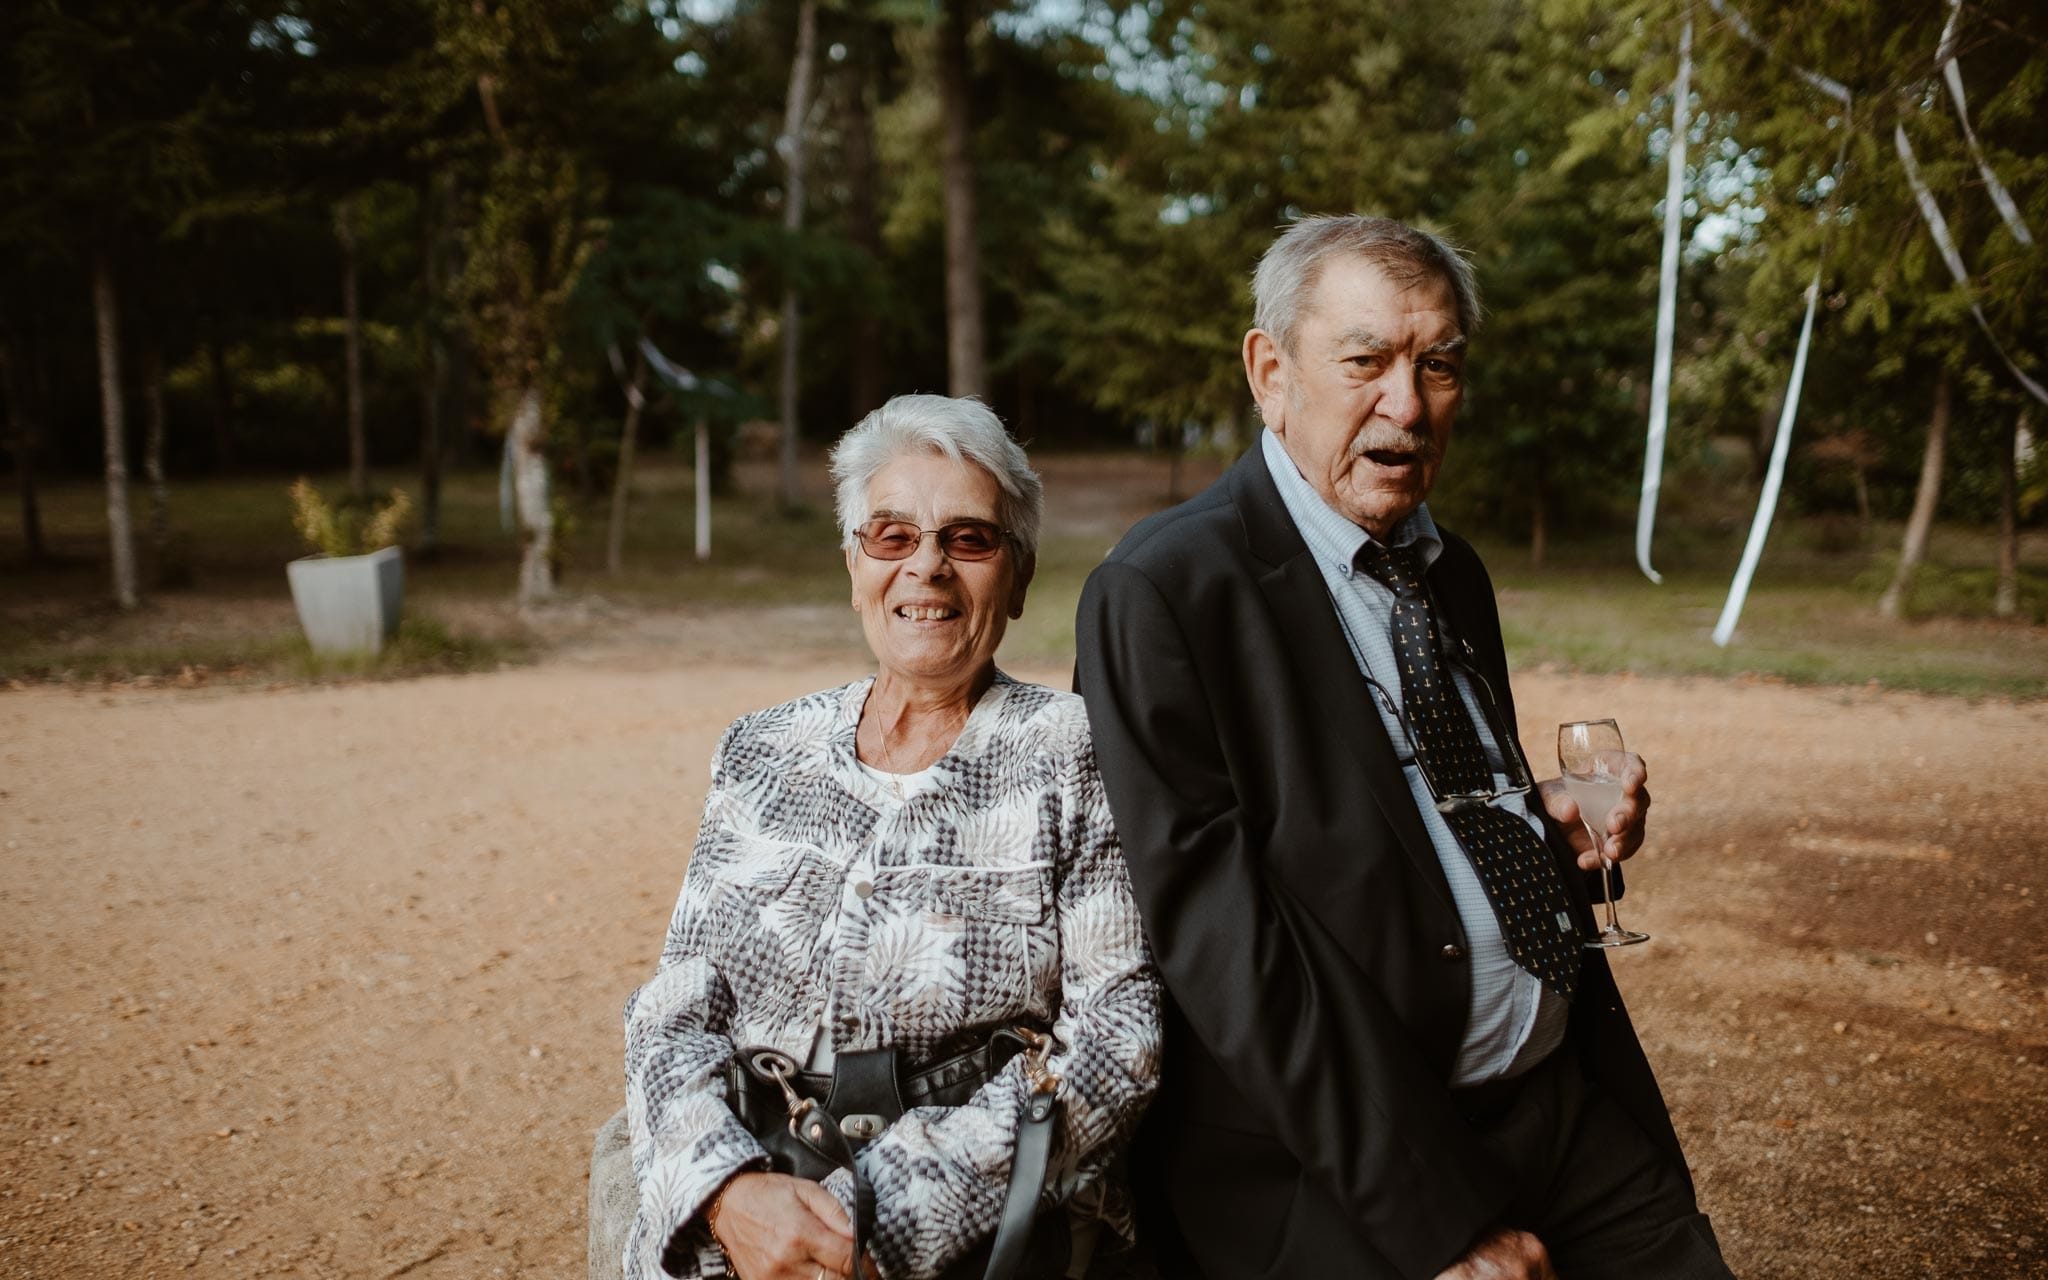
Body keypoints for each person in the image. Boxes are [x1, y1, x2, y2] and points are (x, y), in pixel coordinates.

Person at [1074, 216, 1731, 1279]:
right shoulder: (1165, 591)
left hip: (1559, 1106)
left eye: (1438, 366)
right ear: (1269, 370)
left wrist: (1543, 813)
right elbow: (1222, 943)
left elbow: (1418, 803)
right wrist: (1435, 1217)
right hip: (1352, 1167)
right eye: (1366, 360)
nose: (1408, 403)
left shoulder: (1445, 565)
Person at [609, 394, 1162, 1280]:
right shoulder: (760, 748)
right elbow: (677, 1010)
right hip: (746, 1204)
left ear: (1015, 580)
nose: (927, 569)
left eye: (969, 540)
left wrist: (879, 1218)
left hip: (977, 1227)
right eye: (893, 536)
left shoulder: (1075, 751)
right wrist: (727, 1192)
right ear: (854, 564)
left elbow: (1117, 1036)